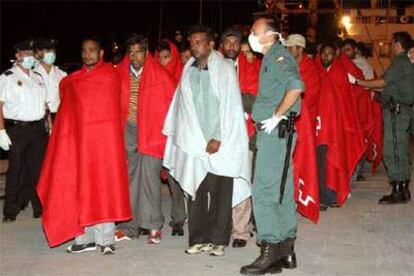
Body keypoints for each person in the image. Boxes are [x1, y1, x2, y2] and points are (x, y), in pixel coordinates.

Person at [37, 36, 132, 255]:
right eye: (84, 51)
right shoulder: (73, 82)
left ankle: (106, 239)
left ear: (100, 54)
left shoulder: (112, 76)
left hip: (106, 146)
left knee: (105, 187)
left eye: (92, 50)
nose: (87, 54)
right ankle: (84, 238)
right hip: (80, 146)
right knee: (80, 186)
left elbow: (122, 108)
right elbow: (67, 116)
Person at [163, 25, 251, 257]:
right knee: (196, 191)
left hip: (220, 142)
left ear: (210, 44)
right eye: (191, 42)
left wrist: (219, 137)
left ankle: (219, 239)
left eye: (199, 42)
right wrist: (185, 135)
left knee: (222, 192)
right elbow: (183, 108)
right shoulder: (188, 69)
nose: (194, 46)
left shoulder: (224, 69)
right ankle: (198, 238)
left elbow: (231, 108)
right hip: (195, 142)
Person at [240, 18, 304, 275]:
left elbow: (297, 87)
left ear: (268, 35)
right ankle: (286, 251)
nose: (250, 36)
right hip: (280, 133)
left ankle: (269, 248)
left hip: (275, 132)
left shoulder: (279, 57)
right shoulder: (274, 56)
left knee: (264, 191)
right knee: (281, 190)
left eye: (254, 31)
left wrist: (277, 114)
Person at [115, 34, 177, 244]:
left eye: (139, 52)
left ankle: (153, 226)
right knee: (129, 179)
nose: (134, 57)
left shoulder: (160, 74)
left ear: (146, 52)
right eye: (131, 52)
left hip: (152, 132)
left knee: (150, 179)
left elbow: (173, 105)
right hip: (129, 130)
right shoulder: (120, 74)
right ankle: (128, 226)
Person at [348, 32, 414, 204]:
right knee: (400, 150)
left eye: (391, 44)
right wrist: (369, 88)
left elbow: (382, 83)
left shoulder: (400, 62)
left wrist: (357, 82)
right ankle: (403, 189)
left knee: (393, 152)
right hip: (399, 111)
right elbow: (387, 87)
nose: (390, 48)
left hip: (396, 113)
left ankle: (398, 190)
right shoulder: (404, 63)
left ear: (397, 44)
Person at [0, 39, 48, 222]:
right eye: (25, 53)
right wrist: (1, 131)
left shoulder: (38, 78)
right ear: (17, 56)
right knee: (16, 170)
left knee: (38, 170)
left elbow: (43, 105)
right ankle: (10, 210)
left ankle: (39, 206)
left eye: (31, 53)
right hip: (18, 129)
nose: (29, 57)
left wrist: (47, 124)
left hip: (37, 129)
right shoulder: (7, 77)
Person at [220, 28, 257, 249]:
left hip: (244, 135)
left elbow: (254, 100)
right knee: (222, 184)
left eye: (236, 43)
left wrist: (231, 95)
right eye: (228, 43)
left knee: (241, 183)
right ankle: (222, 227)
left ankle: (241, 232)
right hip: (218, 138)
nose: (232, 46)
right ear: (221, 45)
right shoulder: (212, 67)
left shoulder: (251, 70)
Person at [285, 34, 320, 223]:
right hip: (287, 121)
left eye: (291, 48)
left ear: (300, 49)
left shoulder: (310, 70)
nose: (289, 51)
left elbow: (309, 96)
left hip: (303, 124)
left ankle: (301, 197)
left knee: (302, 161)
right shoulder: (286, 65)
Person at [33, 38, 67, 123]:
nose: (51, 53)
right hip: (40, 118)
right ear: (39, 53)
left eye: (53, 50)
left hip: (59, 117)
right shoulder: (32, 74)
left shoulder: (62, 74)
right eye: (48, 50)